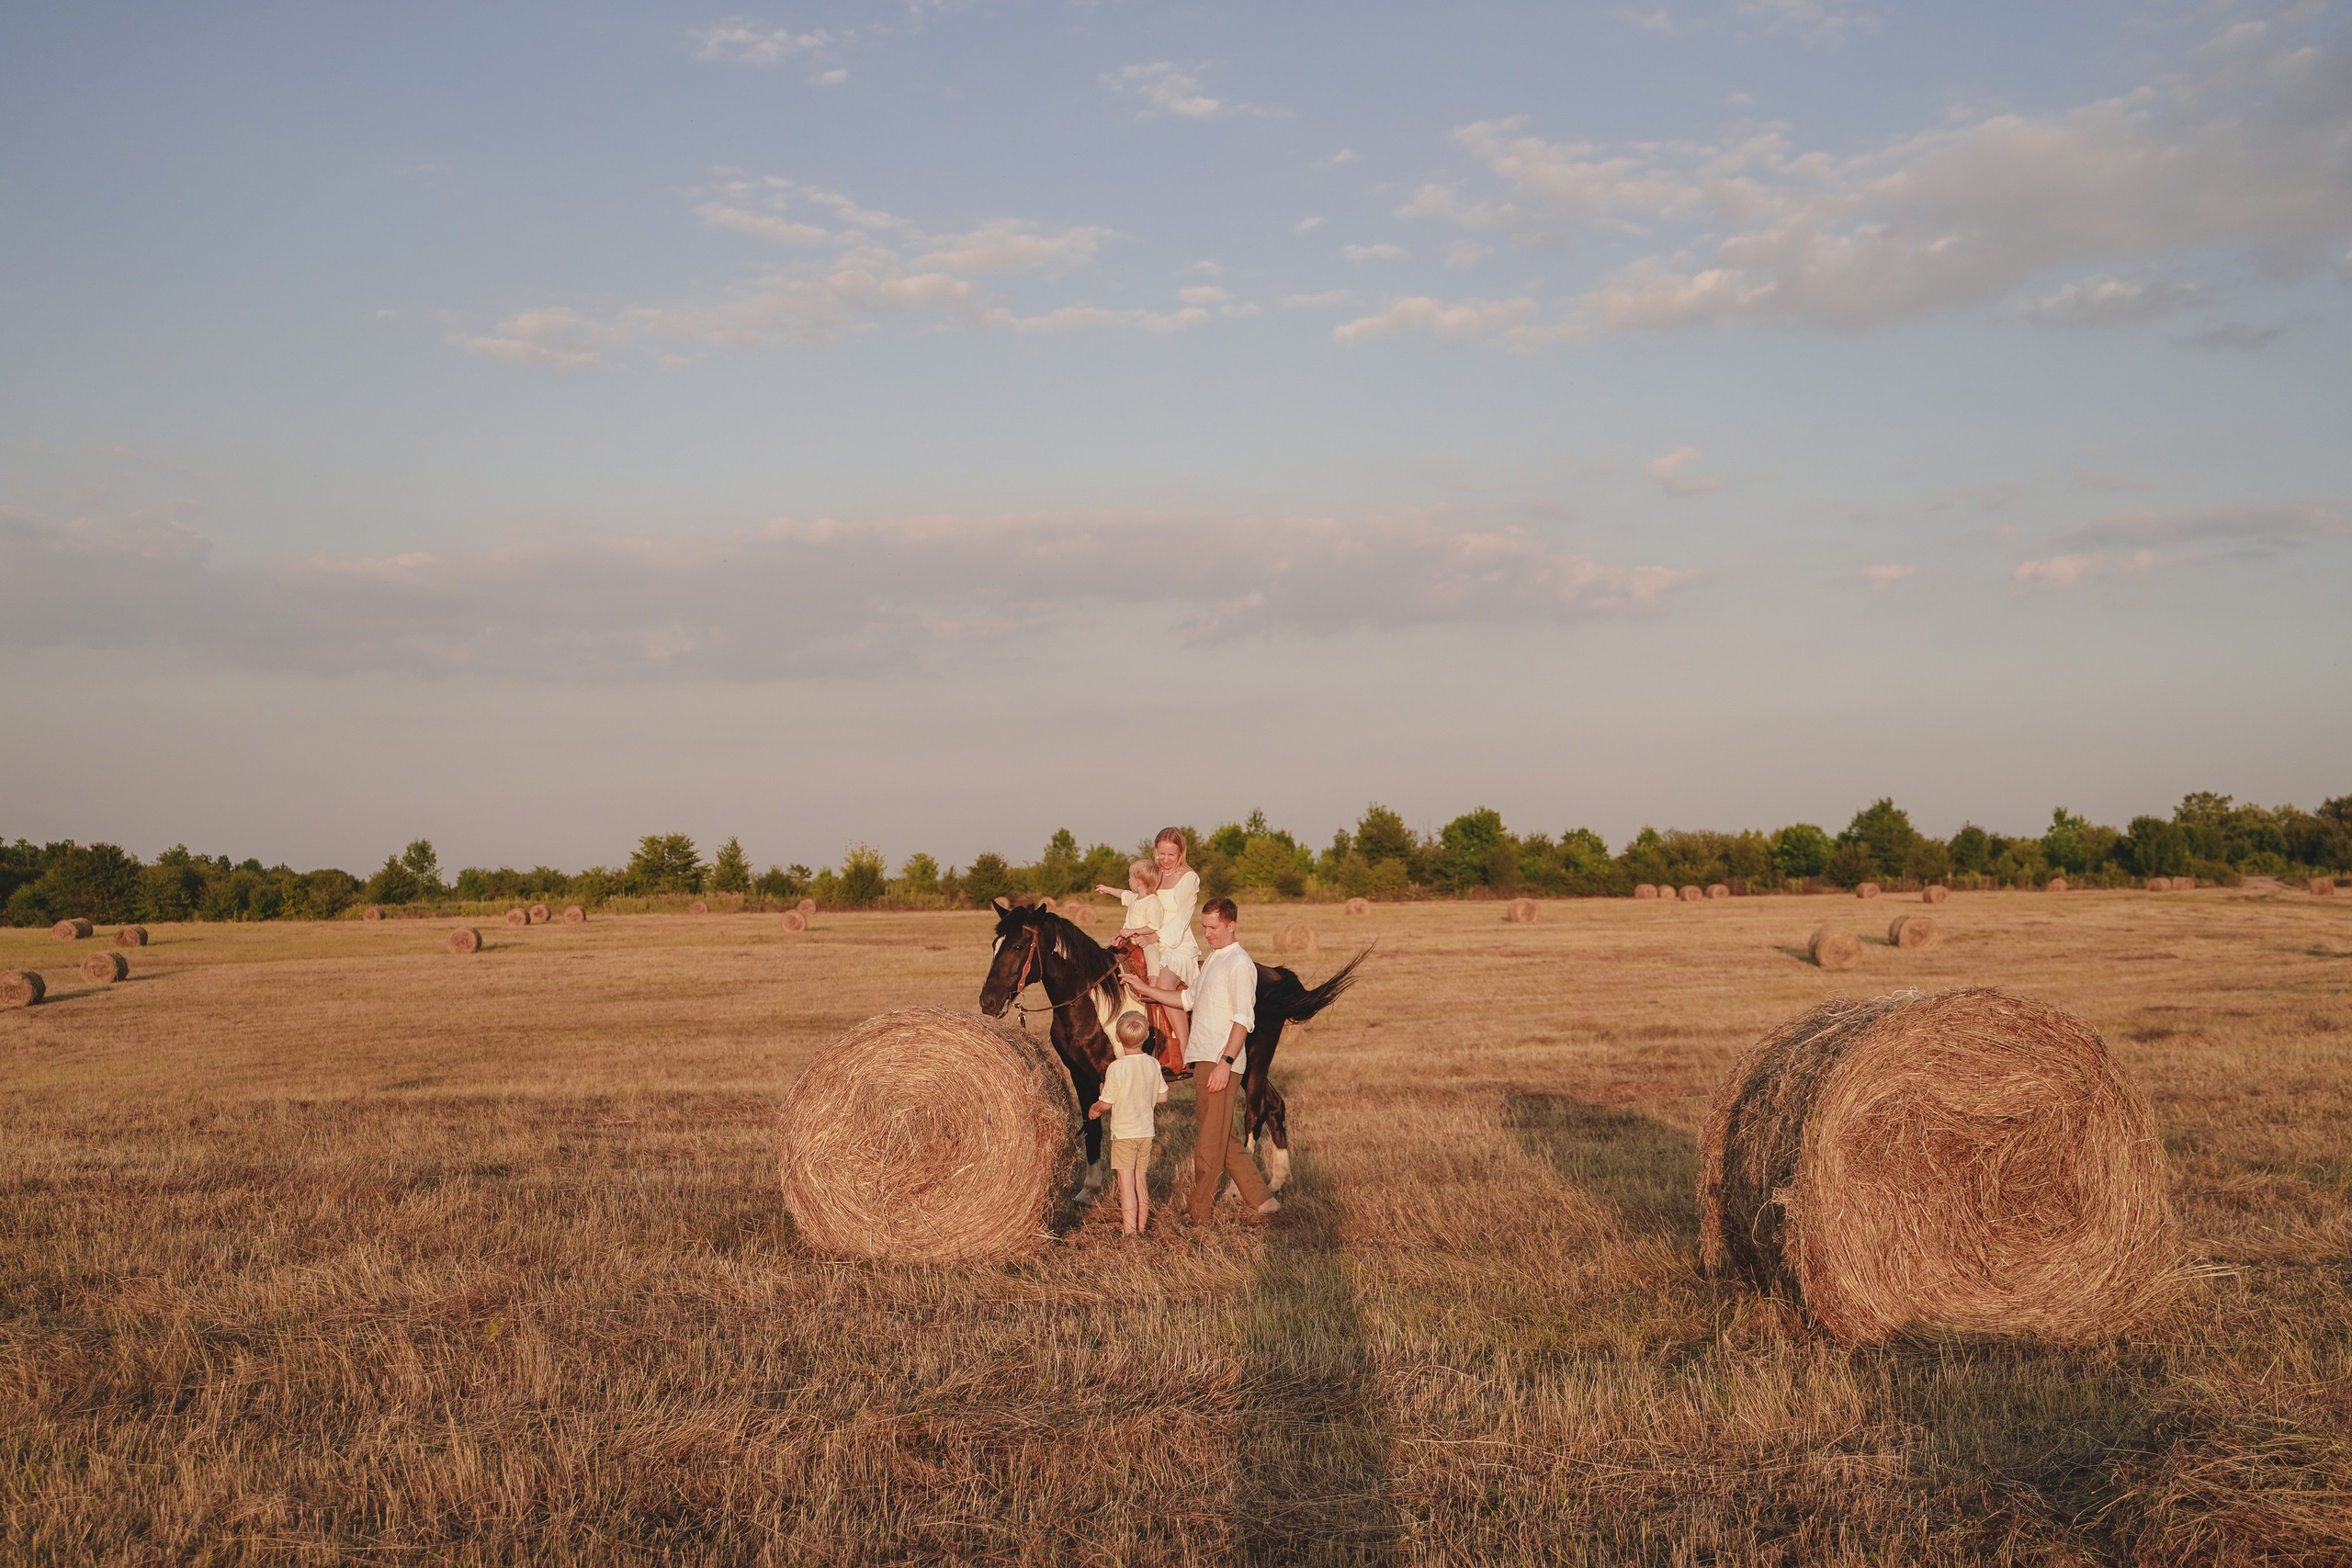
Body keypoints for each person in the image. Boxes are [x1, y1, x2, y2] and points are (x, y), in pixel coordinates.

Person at [1121, 897, 1280, 1224]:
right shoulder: (1213, 961)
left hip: (1221, 1060)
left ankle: (1200, 1212)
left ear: (1231, 925)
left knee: (1208, 1141)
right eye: (1204, 927)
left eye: (1214, 927)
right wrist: (1145, 989)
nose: (1207, 933)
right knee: (1221, 1135)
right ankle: (1263, 1200)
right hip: (1204, 1057)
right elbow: (1186, 999)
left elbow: (1243, 1018)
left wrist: (1226, 1062)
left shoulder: (1239, 963)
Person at [1088, 1012, 1168, 1236]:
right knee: (1140, 1180)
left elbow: (1106, 1102)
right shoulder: (1153, 1063)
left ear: (1117, 1037)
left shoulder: (1117, 1067)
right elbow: (1163, 1096)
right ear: (1147, 1036)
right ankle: (1141, 1227)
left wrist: (1095, 1108)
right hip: (1146, 1133)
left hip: (1124, 1134)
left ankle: (1130, 1232)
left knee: (1126, 1184)